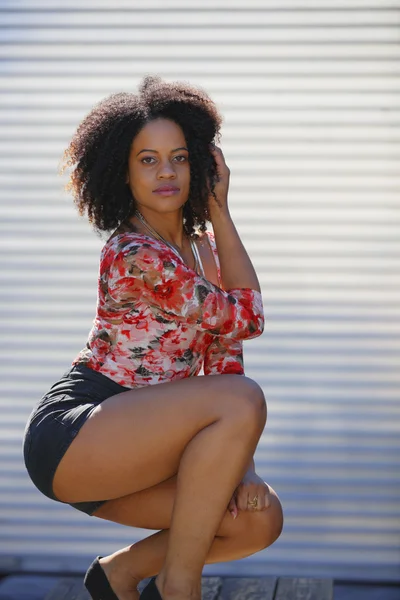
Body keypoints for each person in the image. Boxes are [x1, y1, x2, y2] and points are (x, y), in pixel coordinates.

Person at [22, 75, 283, 600]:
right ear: (122, 171)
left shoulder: (201, 246)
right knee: (245, 398)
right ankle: (178, 587)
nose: (166, 171)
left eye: (180, 157)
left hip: (148, 443)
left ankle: (118, 573)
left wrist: (217, 211)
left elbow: (224, 358)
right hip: (83, 432)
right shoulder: (136, 254)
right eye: (148, 159)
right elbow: (248, 318)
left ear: (200, 165)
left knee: (259, 520)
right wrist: (218, 213)